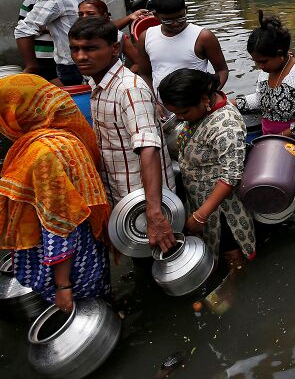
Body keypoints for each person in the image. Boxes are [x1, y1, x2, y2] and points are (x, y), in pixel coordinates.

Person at [0, 75, 111, 312]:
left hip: (68, 266)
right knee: (99, 306)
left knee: (79, 316)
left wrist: (62, 286)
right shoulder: (69, 138)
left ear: (17, 113)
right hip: (89, 249)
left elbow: (59, 227)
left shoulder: (42, 154)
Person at [68, 17, 176, 252]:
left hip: (146, 201)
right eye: (75, 49)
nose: (80, 56)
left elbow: (149, 147)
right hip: (123, 197)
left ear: (115, 49)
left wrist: (155, 212)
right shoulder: (97, 84)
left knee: (160, 259)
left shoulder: (129, 89)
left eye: (90, 48)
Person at [236, 12, 295, 221]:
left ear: (281, 54)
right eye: (256, 62)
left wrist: (284, 136)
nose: (259, 66)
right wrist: (235, 103)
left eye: (263, 61)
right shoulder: (266, 72)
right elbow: (261, 100)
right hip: (272, 143)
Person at [159, 70, 256, 268]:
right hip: (201, 201)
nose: (178, 118)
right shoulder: (201, 112)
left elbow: (231, 175)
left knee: (232, 257)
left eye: (183, 112)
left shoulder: (226, 125)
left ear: (204, 99)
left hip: (223, 209)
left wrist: (201, 214)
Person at [15, 0, 102, 86]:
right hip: (72, 67)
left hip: (96, 62)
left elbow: (103, 26)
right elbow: (23, 30)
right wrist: (32, 65)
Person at [138, 0, 229, 101]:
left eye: (181, 18)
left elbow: (222, 70)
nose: (176, 24)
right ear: (156, 16)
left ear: (186, 9)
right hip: (161, 109)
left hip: (196, 105)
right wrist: (153, 101)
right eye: (168, 21)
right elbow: (144, 74)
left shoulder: (203, 37)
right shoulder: (145, 37)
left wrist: (209, 95)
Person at [78, 0, 144, 72]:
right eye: (81, 14)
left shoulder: (119, 37)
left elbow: (138, 63)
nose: (84, 17)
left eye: (91, 14)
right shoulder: (77, 37)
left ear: (104, 15)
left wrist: (123, 77)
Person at [18, 0, 59, 83]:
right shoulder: (29, 3)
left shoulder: (61, 1)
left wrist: (40, 28)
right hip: (39, 57)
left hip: (58, 57)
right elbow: (24, 30)